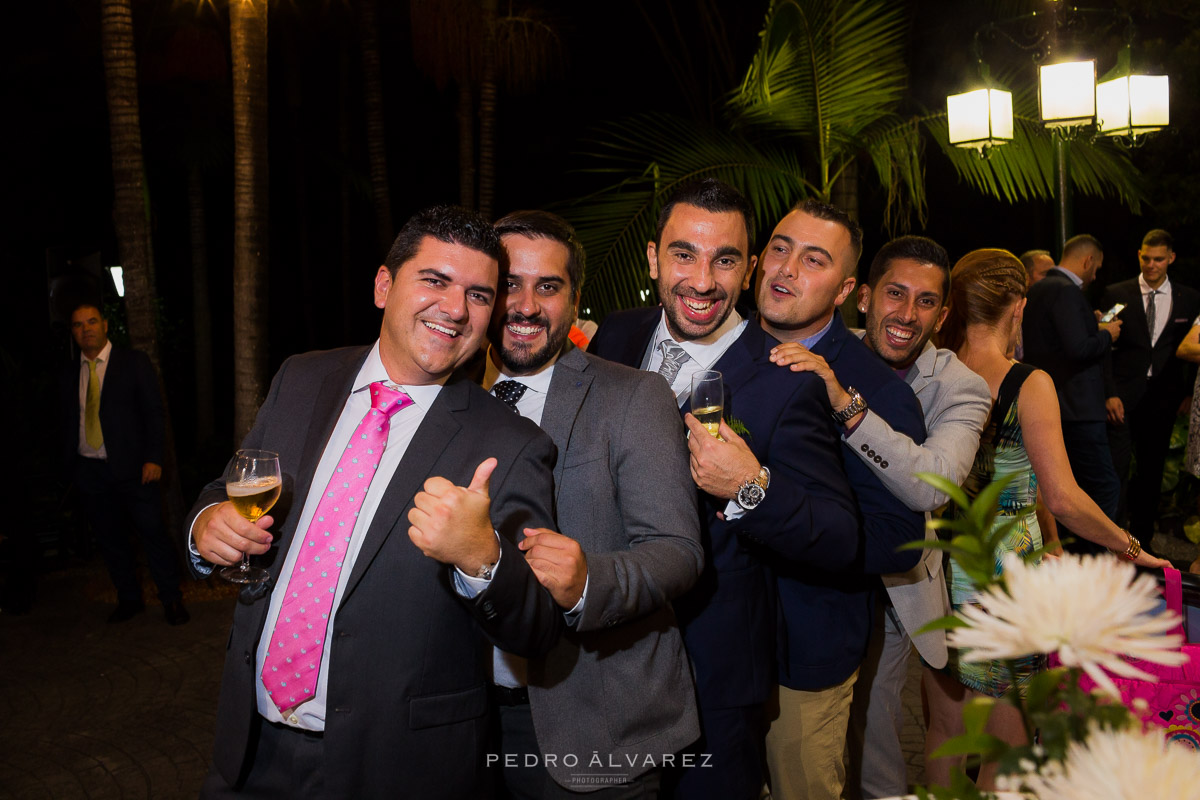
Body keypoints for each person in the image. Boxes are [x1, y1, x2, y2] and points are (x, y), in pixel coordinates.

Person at [188, 206, 565, 799]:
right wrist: (206, 524)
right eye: (435, 281)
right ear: (384, 285)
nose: (455, 310)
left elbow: (537, 630)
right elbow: (229, 486)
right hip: (246, 750)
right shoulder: (302, 377)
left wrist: (481, 559)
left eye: (478, 295)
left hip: (398, 767)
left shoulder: (511, 445)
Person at [589, 178, 859, 800]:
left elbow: (840, 537)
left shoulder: (785, 379)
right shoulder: (617, 338)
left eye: (726, 259)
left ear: (750, 267)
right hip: (603, 661)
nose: (703, 281)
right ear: (654, 258)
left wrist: (752, 486)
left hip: (712, 672)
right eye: (684, 254)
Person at [926, 249, 1170, 791]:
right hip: (1003, 577)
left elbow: (1028, 486)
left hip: (938, 568)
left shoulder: (934, 370)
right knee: (1008, 748)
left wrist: (1054, 540)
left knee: (945, 732)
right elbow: (1060, 493)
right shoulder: (1027, 383)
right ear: (1018, 306)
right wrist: (1128, 545)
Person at [483, 210, 703, 796]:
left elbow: (678, 551)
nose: (525, 305)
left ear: (575, 299)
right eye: (508, 284)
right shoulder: (441, 397)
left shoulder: (632, 396)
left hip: (591, 720)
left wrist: (587, 581)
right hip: (456, 720)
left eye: (547, 286)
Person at [769, 235, 991, 799]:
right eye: (896, 294)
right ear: (863, 297)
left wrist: (846, 405)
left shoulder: (960, 386)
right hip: (805, 582)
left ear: (942, 316)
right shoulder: (809, 349)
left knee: (877, 741)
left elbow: (932, 482)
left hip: (892, 590)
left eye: (925, 302)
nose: (907, 314)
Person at [741, 202, 926, 800]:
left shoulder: (873, 393)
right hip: (710, 643)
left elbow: (898, 540)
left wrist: (781, 514)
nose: (785, 269)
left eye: (813, 259)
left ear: (847, 289)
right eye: (779, 248)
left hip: (804, 653)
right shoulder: (717, 355)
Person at [59, 302, 188, 625]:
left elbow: (154, 413)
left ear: (105, 324)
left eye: (91, 321)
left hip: (135, 469)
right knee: (110, 538)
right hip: (90, 470)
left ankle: (171, 599)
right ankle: (129, 599)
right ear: (73, 333)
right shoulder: (68, 372)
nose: (85, 329)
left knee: (153, 533)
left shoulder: (132, 362)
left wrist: (154, 458)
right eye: (78, 325)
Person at [1021, 234, 1122, 554]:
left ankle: (1070, 555)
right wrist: (1107, 334)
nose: (1096, 275)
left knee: (1061, 489)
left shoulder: (1036, 290)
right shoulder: (1067, 291)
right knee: (1104, 487)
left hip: (1049, 403)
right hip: (1079, 407)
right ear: (1088, 261)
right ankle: (1095, 561)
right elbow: (1079, 348)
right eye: (1097, 267)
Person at [1100, 229, 1200, 550]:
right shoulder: (1117, 293)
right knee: (1115, 468)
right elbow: (1104, 349)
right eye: (1146, 257)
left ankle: (1141, 542)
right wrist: (1108, 392)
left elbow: (1191, 350)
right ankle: (1113, 538)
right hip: (1121, 396)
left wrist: (1186, 392)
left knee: (1152, 471)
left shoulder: (1190, 297)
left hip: (1164, 398)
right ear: (1139, 255)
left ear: (1171, 258)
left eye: (1158, 259)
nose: (1151, 264)